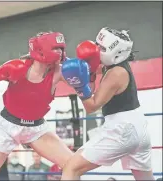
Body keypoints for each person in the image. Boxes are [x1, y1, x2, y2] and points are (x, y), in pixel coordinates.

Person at [0, 31, 74, 180]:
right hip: (7, 127)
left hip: (36, 129)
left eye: (61, 49)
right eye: (56, 49)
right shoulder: (17, 67)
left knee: (73, 165)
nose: (60, 53)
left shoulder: (59, 71)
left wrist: (84, 75)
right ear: (41, 50)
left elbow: (90, 88)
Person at [61, 27, 154, 180]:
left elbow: (91, 106)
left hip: (122, 129)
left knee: (71, 168)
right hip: (139, 129)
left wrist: (79, 85)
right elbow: (89, 77)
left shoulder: (115, 73)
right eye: (97, 45)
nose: (97, 50)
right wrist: (87, 70)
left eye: (101, 48)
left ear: (115, 52)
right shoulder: (112, 67)